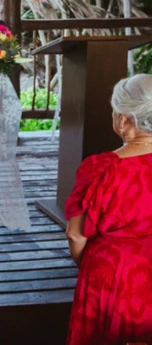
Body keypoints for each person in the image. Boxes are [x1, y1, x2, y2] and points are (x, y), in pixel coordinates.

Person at [65, 74, 152, 345]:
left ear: (124, 119)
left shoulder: (101, 168)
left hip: (113, 272)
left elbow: (76, 235)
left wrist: (88, 262)